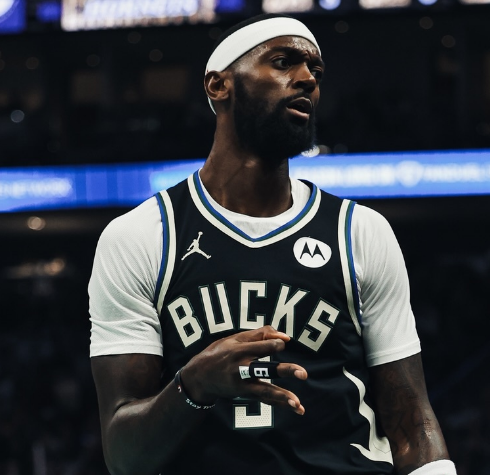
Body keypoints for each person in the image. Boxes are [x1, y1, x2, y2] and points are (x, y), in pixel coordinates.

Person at [88, 13, 455, 475]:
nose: (307, 79)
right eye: (283, 62)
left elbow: (411, 421)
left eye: (315, 71)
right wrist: (194, 384)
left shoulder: (360, 231)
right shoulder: (141, 236)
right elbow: (124, 456)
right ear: (218, 85)